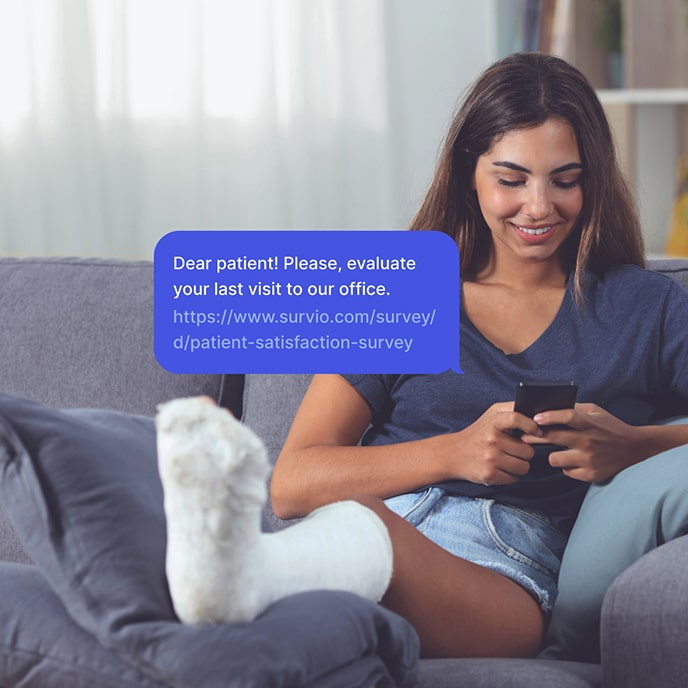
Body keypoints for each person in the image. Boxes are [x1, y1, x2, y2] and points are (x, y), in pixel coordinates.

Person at [157, 52, 688, 661]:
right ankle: (232, 577)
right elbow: (292, 483)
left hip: (505, 568)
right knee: (353, 545)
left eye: (564, 180)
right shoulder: (403, 291)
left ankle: (234, 572)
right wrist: (454, 452)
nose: (539, 207)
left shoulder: (644, 309)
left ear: (592, 178)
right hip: (374, 524)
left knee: (357, 550)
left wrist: (635, 445)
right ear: (470, 174)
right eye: (511, 180)